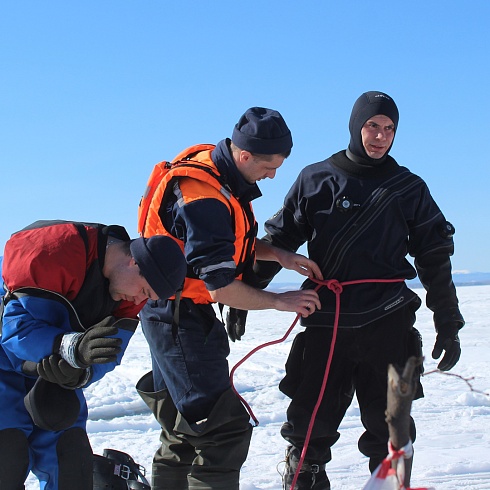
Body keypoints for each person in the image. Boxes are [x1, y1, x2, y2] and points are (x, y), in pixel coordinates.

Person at [252, 91, 465, 489]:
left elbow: (435, 257)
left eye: (389, 129)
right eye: (372, 126)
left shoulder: (408, 188)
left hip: (388, 324)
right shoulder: (317, 179)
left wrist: (448, 322)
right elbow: (278, 241)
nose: (380, 136)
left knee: (392, 434)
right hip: (326, 322)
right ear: (356, 126)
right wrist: (245, 293)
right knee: (308, 432)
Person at [136, 107, 323, 490]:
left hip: (167, 313)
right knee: (221, 431)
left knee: (184, 429)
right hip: (178, 320)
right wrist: (280, 301)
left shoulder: (216, 173)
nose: (272, 176)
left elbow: (232, 244)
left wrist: (282, 255)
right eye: (270, 166)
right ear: (244, 156)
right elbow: (219, 287)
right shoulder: (204, 197)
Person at [0, 219, 187, 490]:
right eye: (144, 291)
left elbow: (107, 352)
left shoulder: (126, 293)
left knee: (71, 461)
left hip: (55, 367)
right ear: (134, 262)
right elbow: (15, 332)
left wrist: (80, 372)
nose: (138, 302)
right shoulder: (55, 251)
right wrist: (72, 348)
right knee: (7, 454)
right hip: (6, 361)